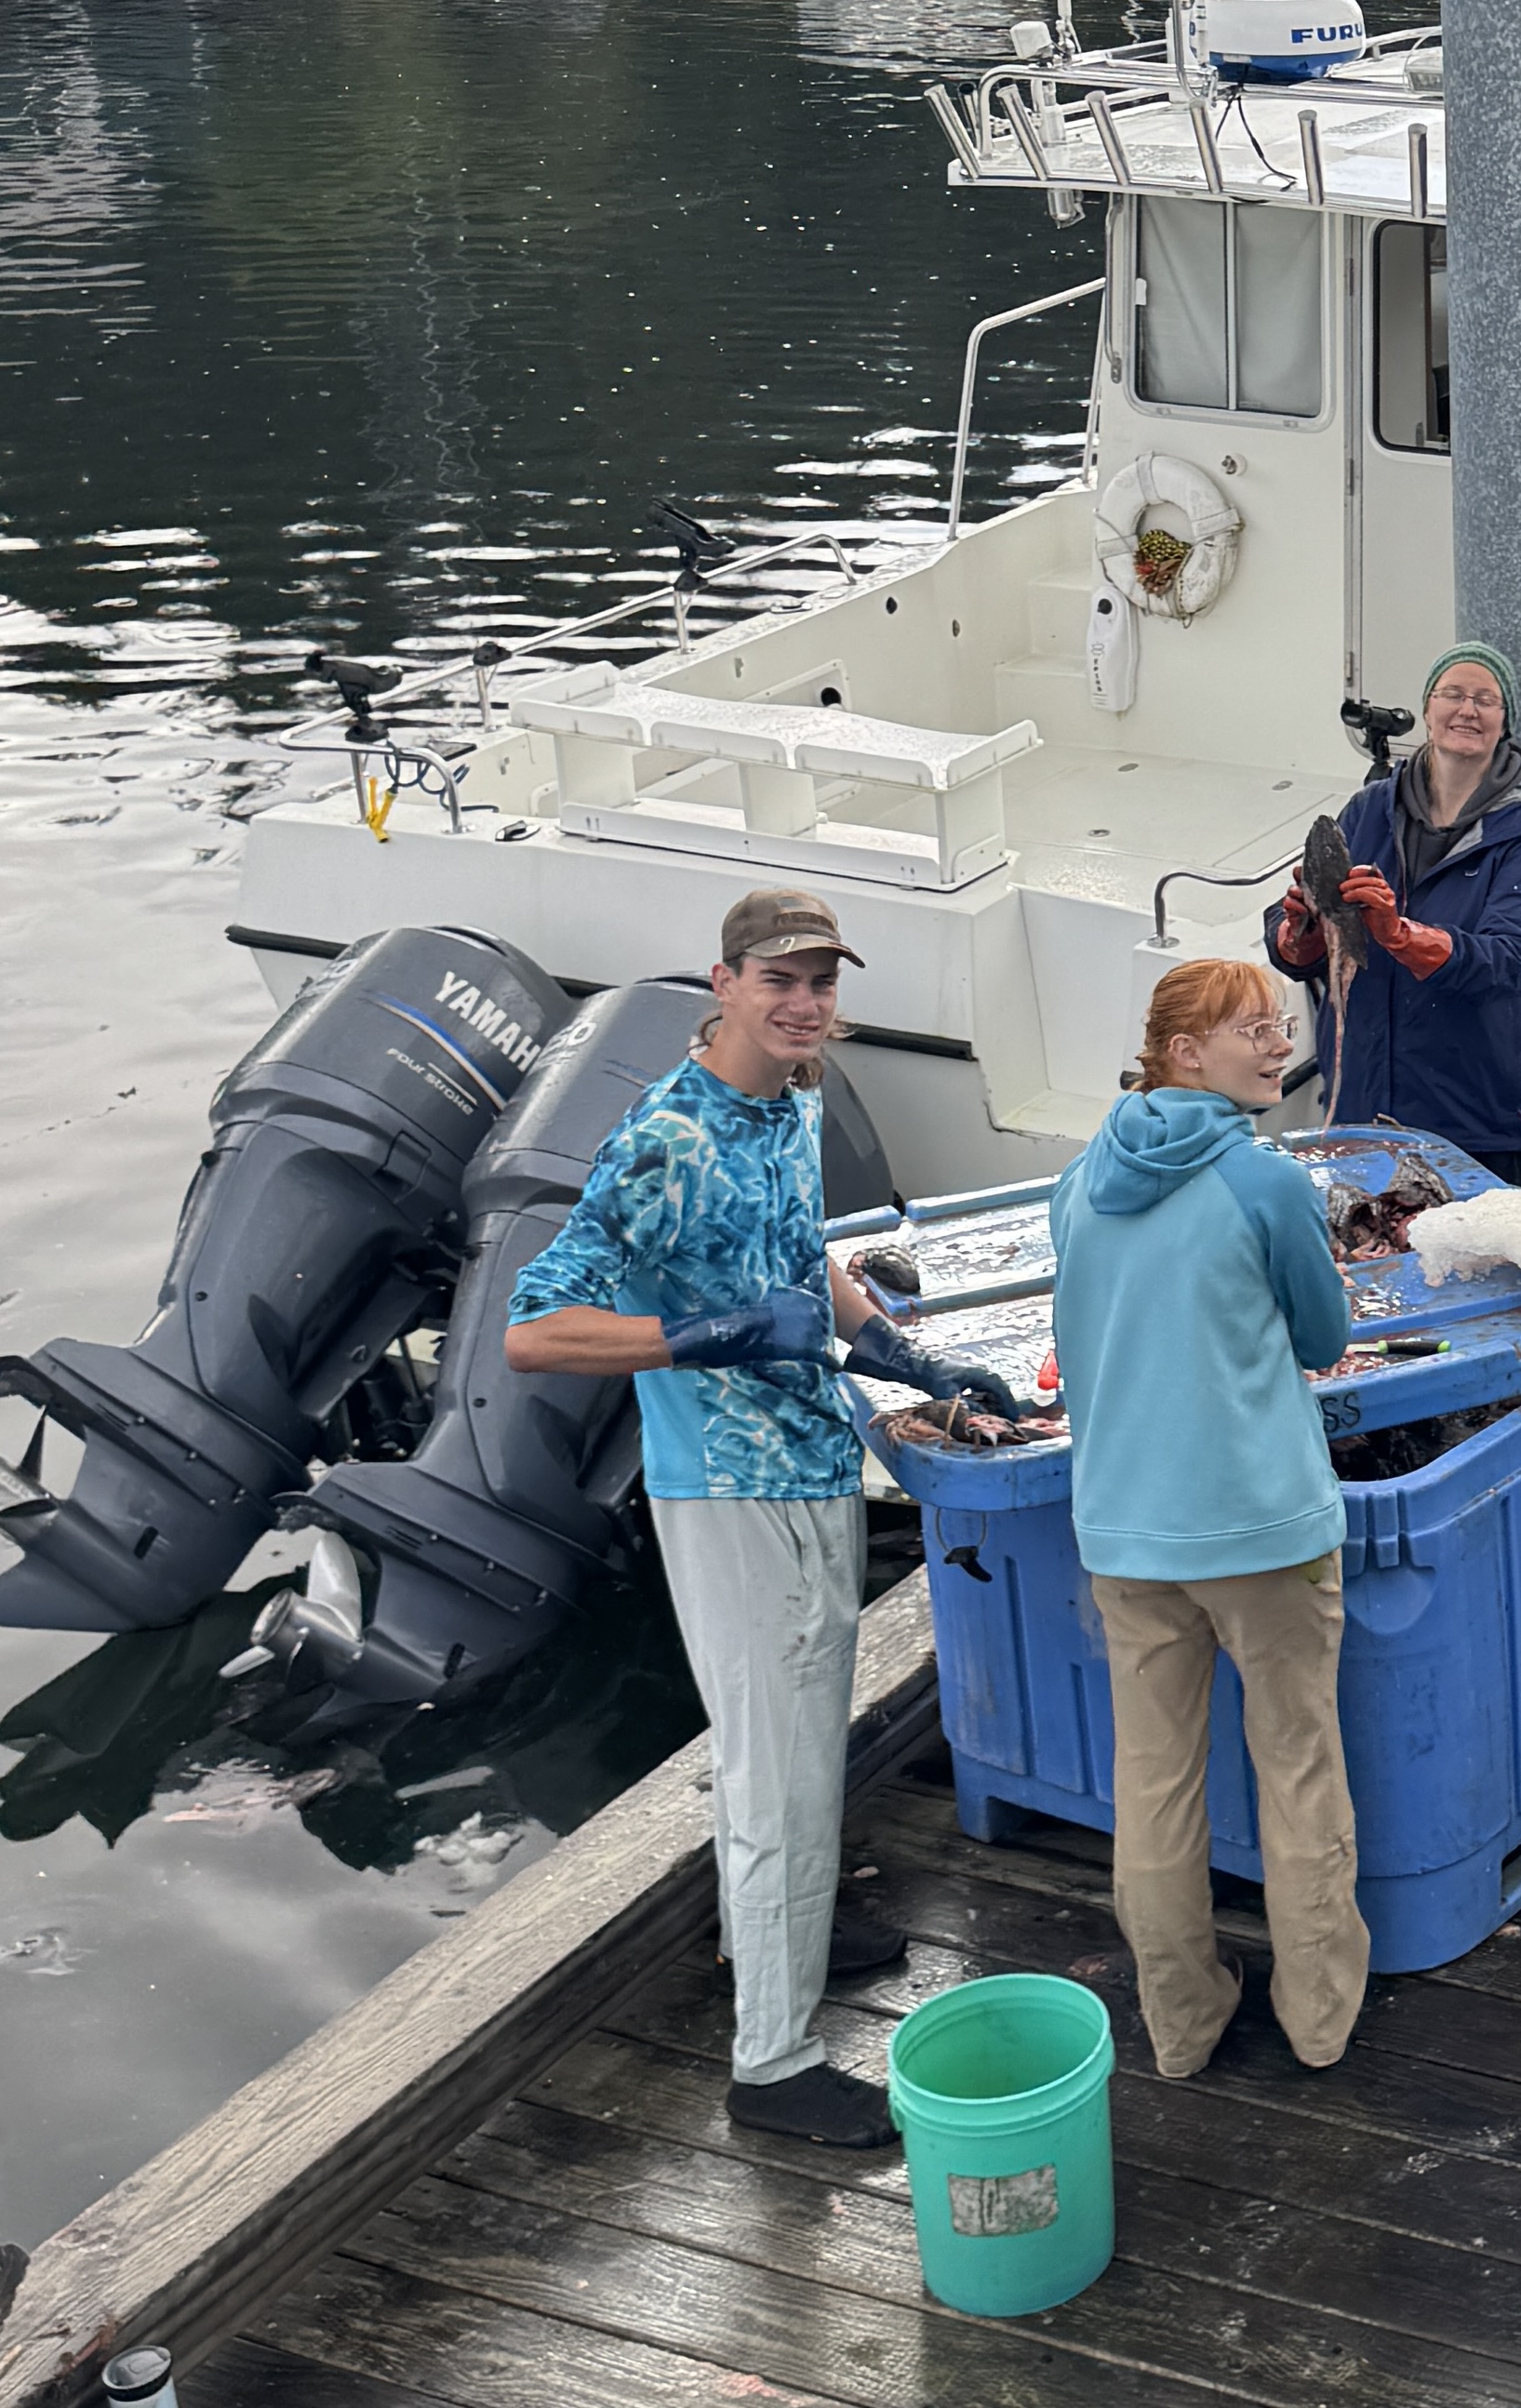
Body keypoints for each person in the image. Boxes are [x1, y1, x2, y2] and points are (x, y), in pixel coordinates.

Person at [505, 886, 1016, 2149]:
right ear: (720, 985)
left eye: (821, 983)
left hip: (812, 1460)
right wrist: (699, 1337)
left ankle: (776, 1931)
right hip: (731, 1497)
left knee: (801, 1739)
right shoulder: (666, 1139)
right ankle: (774, 2062)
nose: (803, 1004)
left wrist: (903, 1355)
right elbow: (533, 1330)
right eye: (777, 981)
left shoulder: (786, 1101)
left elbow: (803, 1259)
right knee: (773, 1768)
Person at [1052, 957, 1372, 2079]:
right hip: (1262, 1529)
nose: (1278, 1042)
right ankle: (1320, 2013)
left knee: (1153, 1782)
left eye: (1280, 1024)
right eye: (1252, 1027)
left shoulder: (1082, 1174)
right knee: (1297, 1766)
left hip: (1126, 1528)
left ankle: (1181, 2024)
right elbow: (1325, 1338)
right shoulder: (1266, 1180)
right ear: (1183, 1051)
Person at [1269, 643, 1521, 1180]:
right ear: (1427, 711)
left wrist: (1399, 934)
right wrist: (1301, 928)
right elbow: (1290, 941)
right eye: (1451, 694)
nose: (1467, 710)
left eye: (1485, 700)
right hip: (1362, 1110)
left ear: (1506, 722)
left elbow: (1518, 957)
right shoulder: (1367, 810)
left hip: (1482, 1124)